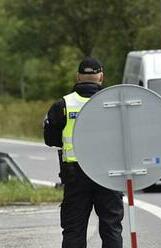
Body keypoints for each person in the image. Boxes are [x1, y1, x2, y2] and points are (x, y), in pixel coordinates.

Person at [44, 57, 124, 248]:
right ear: (101, 77)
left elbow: (51, 140)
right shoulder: (115, 102)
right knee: (111, 228)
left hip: (75, 175)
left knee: (74, 229)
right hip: (108, 174)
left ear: (77, 77)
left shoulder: (62, 105)